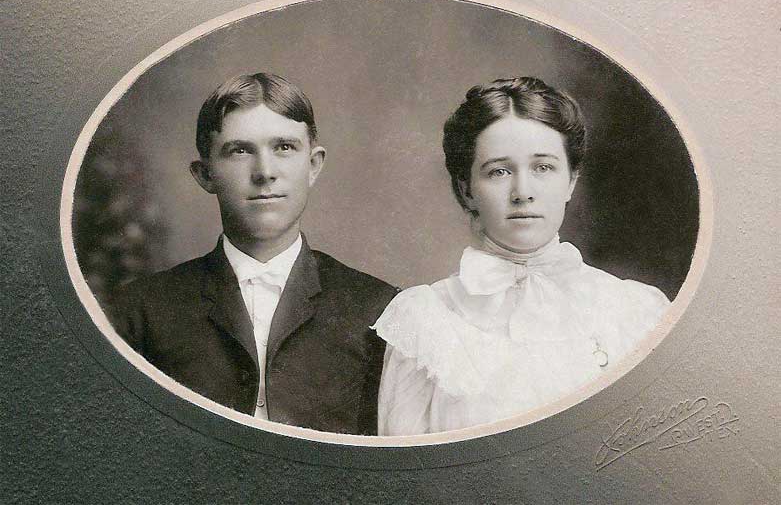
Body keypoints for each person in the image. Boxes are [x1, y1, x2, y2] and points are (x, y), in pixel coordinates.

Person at [373, 77, 670, 435]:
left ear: (572, 180)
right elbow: (402, 480)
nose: (523, 192)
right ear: (466, 190)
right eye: (499, 171)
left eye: (543, 167)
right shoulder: (424, 320)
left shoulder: (634, 311)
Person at [110, 72, 396, 435]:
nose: (265, 173)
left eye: (284, 148)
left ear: (313, 164)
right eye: (240, 150)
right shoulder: (141, 310)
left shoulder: (378, 308)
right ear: (205, 173)